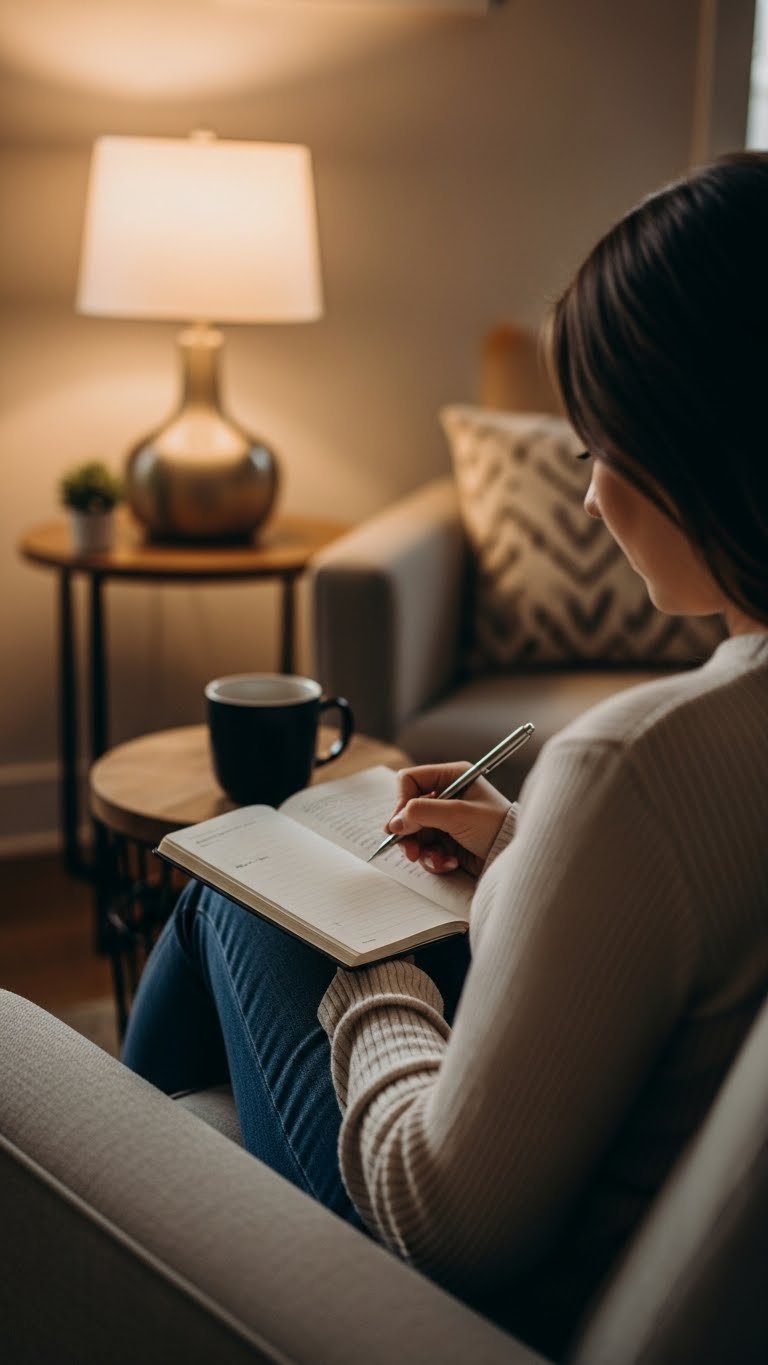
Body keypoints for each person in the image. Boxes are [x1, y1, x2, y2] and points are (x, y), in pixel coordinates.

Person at [123, 152, 768, 1357]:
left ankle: (118, 1213)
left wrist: (363, 948)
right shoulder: (678, 769)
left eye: (598, 455)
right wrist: (525, 852)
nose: (588, 504)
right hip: (603, 1169)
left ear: (699, 446)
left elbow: (441, 1218)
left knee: (238, 880)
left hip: (461, 1291)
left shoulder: (635, 766)